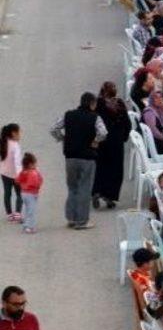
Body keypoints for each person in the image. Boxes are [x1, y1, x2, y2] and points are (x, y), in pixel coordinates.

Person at [51, 92, 107, 230]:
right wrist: (95, 141)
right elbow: (103, 132)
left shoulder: (68, 115)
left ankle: (71, 217)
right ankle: (82, 221)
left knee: (72, 187)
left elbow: (54, 129)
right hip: (87, 157)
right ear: (92, 104)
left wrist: (62, 138)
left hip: (70, 157)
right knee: (85, 189)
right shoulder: (95, 118)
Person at [93, 81, 131, 208]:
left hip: (101, 141)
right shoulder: (119, 104)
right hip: (116, 141)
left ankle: (97, 191)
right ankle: (110, 195)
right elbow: (127, 123)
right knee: (115, 169)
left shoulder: (97, 104)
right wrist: (123, 137)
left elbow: (92, 121)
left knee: (100, 167)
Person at [15, 154, 42, 235]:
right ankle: (29, 227)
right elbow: (35, 183)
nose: (36, 164)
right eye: (35, 163)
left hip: (24, 193)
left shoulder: (23, 172)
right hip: (31, 194)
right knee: (31, 211)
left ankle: (26, 225)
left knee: (27, 209)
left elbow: (17, 180)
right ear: (31, 164)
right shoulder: (33, 173)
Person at [0, 123, 22, 221]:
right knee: (19, 193)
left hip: (4, 173)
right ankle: (17, 213)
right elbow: (17, 162)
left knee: (7, 193)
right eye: (19, 132)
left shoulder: (3, 143)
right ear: (13, 133)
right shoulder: (15, 145)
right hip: (15, 174)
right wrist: (19, 175)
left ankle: (9, 214)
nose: (20, 134)